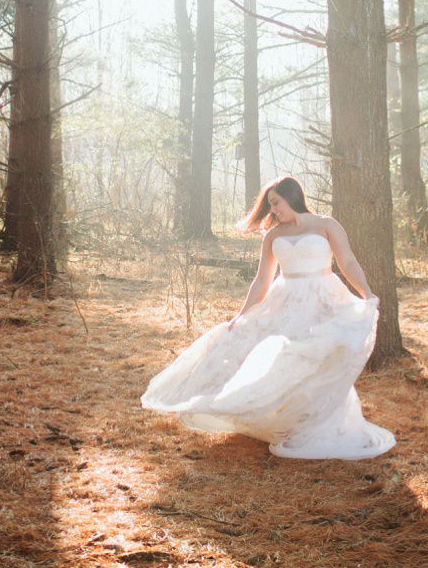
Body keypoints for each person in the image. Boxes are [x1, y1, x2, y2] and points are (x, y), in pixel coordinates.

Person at [141, 175, 395, 459]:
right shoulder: (274, 235)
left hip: (323, 298)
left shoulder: (326, 225)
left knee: (318, 357)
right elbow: (262, 281)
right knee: (281, 356)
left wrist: (366, 293)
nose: (273, 210)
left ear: (292, 196)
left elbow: (347, 262)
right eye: (270, 205)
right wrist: (241, 316)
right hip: (286, 302)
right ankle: (284, 418)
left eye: (276, 203)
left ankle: (318, 421)